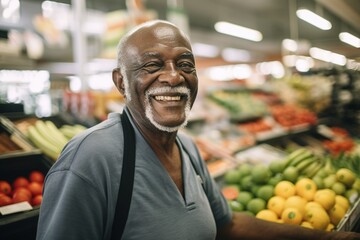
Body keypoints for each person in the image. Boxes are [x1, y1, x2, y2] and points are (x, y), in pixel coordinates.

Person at [36, 20, 360, 240]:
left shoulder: (187, 148)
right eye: (153, 65)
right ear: (120, 82)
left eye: (185, 64)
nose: (174, 77)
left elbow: (227, 224)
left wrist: (331, 237)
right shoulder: (89, 160)